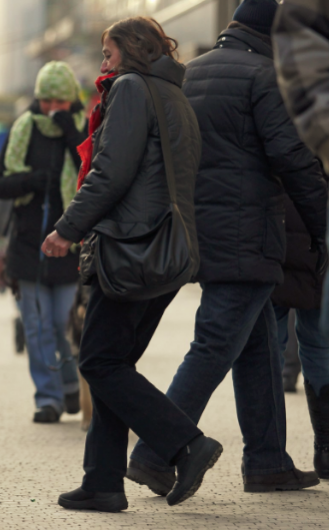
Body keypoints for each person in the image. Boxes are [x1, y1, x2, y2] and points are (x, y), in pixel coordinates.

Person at [128, 0, 325, 496]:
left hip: (202, 229)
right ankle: (155, 451)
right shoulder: (265, 76)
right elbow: (293, 158)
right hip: (248, 233)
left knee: (258, 348)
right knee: (215, 344)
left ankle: (267, 462)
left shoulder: (192, 73)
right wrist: (323, 225)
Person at [43, 17, 220, 511]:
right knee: (114, 365)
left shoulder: (130, 89)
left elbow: (110, 173)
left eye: (108, 52)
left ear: (133, 52)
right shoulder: (175, 96)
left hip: (129, 249)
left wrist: (66, 229)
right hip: (169, 249)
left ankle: (186, 444)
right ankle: (102, 482)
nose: (103, 63)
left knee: (98, 361)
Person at [0, 61, 87, 425]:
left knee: (62, 323)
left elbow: (92, 174)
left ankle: (68, 385)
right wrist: (30, 180)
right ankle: (47, 398)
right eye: (46, 100)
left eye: (59, 101)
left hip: (69, 248)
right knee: (36, 327)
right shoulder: (23, 129)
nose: (51, 108)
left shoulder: (82, 129)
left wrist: (67, 136)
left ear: (71, 101)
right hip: (28, 245)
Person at [274, 2, 329, 478]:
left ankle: (270, 456)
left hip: (276, 228)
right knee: (316, 336)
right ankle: (323, 452)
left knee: (274, 340)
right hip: (307, 223)